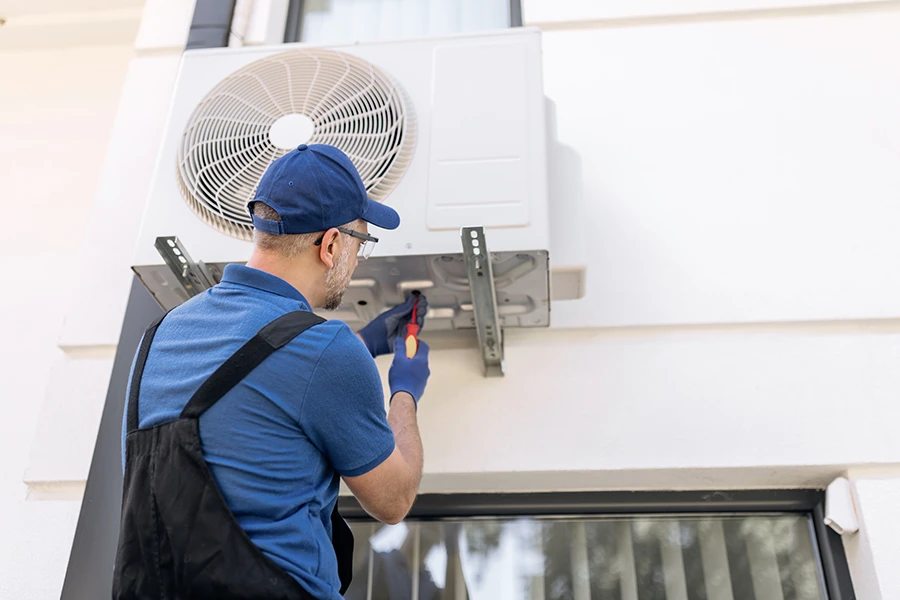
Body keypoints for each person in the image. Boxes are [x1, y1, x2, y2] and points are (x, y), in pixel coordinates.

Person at [113, 143, 431, 600]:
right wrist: (405, 391)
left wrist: (363, 346)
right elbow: (393, 500)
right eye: (362, 243)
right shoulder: (328, 350)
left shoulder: (159, 337)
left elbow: (252, 400)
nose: (360, 257)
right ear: (332, 244)